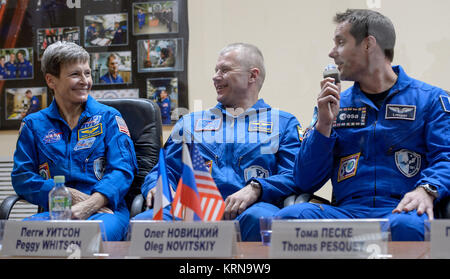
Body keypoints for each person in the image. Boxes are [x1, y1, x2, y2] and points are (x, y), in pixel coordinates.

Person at [276, 9, 450, 241]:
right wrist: (324, 126)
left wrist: (427, 189)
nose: (331, 53)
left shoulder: (430, 100)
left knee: (404, 226)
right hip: (348, 213)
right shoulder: (334, 105)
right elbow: (304, 180)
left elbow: (446, 157)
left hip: (403, 208)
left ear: (369, 44)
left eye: (340, 42)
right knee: (290, 220)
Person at [134, 43, 303, 241]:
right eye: (216, 70)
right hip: (192, 210)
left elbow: (294, 175)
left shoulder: (282, 123)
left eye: (225, 69)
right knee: (144, 223)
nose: (215, 76)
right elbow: (164, 170)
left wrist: (257, 187)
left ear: (252, 75)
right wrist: (157, 185)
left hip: (252, 210)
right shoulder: (189, 123)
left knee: (263, 219)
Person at [11, 41, 137, 241]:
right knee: (17, 238)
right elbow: (22, 177)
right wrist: (65, 194)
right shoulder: (34, 125)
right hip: (56, 212)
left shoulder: (108, 117)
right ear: (51, 80)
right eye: (75, 74)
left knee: (85, 239)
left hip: (105, 211)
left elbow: (123, 169)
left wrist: (91, 203)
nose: (85, 81)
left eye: (87, 73)